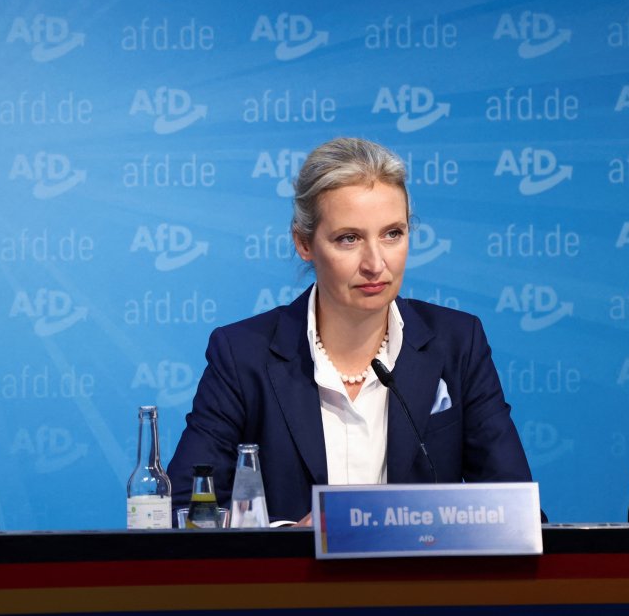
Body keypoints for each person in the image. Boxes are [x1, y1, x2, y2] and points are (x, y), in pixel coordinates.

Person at [167, 137, 532, 523]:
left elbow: (516, 513)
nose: (376, 263)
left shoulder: (458, 343)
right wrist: (285, 538)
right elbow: (187, 513)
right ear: (304, 243)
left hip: (423, 584)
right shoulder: (243, 355)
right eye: (349, 239)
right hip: (289, 583)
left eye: (393, 233)